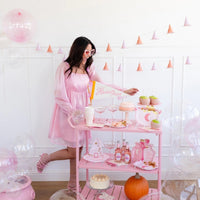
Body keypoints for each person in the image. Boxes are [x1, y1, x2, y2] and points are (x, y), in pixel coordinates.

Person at [36, 36, 138, 191]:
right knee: (73, 150)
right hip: (68, 114)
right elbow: (59, 93)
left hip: (85, 113)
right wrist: (72, 112)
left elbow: (102, 85)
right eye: (86, 51)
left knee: (78, 149)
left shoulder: (89, 69)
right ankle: (47, 158)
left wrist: (124, 90)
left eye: (91, 51)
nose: (89, 54)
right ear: (78, 50)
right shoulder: (64, 67)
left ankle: (72, 185)